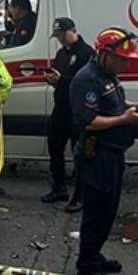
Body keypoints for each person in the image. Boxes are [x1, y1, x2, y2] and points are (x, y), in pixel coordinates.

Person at [69, 27, 138, 275]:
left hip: (113, 154)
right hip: (97, 156)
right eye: (121, 59)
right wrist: (123, 119)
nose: (126, 65)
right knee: (96, 213)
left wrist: (136, 107)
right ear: (104, 54)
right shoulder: (86, 79)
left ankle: (94, 254)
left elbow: (114, 104)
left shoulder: (107, 75)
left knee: (108, 211)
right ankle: (87, 265)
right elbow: (87, 121)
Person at [42, 17, 94, 209]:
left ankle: (80, 196)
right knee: (54, 147)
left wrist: (61, 80)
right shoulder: (61, 54)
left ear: (73, 31)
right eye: (57, 36)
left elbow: (84, 83)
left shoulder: (86, 53)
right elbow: (61, 77)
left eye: (62, 35)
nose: (60, 40)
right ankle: (59, 188)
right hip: (61, 108)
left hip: (77, 111)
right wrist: (52, 80)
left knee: (79, 154)